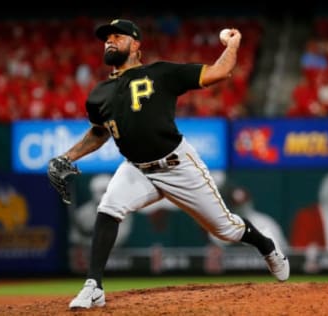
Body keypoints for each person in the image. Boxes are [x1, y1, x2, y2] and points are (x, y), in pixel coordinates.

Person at [47, 18, 289, 310]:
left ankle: (267, 247)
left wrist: (233, 45)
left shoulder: (161, 72)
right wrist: (67, 157)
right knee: (109, 208)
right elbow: (100, 132)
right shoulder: (99, 94)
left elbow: (219, 72)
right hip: (136, 168)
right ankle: (93, 286)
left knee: (225, 229)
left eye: (117, 36)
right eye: (106, 38)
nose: (109, 41)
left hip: (177, 165)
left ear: (136, 44)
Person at [208, 185, 289, 252]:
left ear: (249, 201)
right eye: (237, 205)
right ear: (231, 205)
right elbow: (214, 250)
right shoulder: (223, 225)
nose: (241, 208)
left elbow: (284, 251)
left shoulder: (265, 222)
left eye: (243, 204)